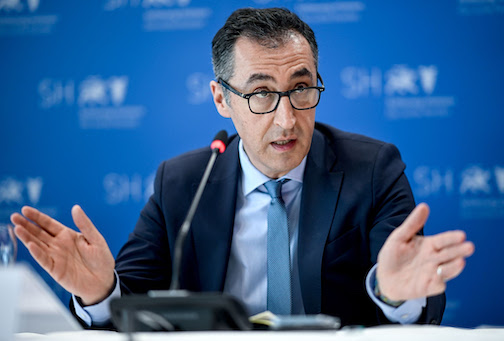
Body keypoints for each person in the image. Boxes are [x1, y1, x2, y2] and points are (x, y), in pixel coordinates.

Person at [10, 7, 474, 328]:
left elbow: (417, 301)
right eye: (260, 94)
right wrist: (99, 292)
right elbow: (129, 305)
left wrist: (394, 294)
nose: (287, 118)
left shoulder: (372, 168)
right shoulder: (184, 183)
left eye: (301, 88)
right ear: (221, 100)